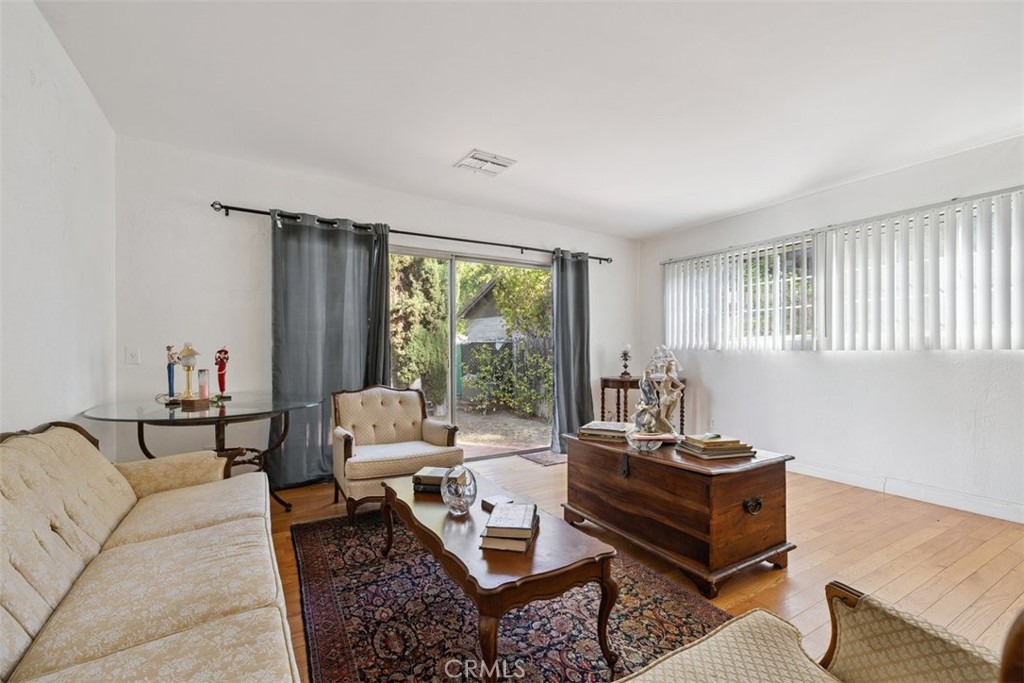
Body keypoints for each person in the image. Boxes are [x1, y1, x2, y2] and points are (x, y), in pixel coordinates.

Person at [656, 360, 685, 434]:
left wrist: (675, 390)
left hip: (671, 397)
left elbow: (682, 385)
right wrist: (653, 382)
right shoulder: (664, 378)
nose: (664, 369)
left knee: (668, 415)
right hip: (667, 397)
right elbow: (661, 390)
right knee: (663, 416)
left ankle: (670, 430)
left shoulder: (670, 377)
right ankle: (669, 430)